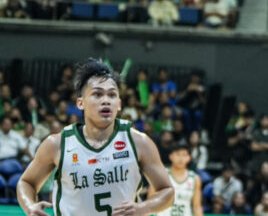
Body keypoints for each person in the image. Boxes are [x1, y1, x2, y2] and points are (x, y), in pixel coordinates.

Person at [16, 59, 174, 216]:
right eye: (97, 94)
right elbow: (26, 182)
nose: (106, 101)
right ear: (80, 103)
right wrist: (30, 206)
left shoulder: (139, 142)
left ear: (119, 104)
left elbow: (167, 191)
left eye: (112, 95)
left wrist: (143, 208)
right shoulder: (57, 144)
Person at [153, 142, 204, 216]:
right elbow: (150, 201)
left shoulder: (194, 178)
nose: (181, 158)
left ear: (189, 158)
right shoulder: (161, 175)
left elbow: (197, 206)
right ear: (171, 156)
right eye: (178, 154)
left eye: (184, 155)